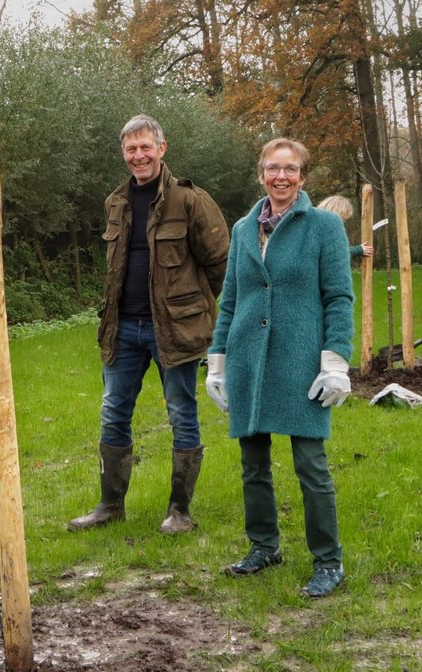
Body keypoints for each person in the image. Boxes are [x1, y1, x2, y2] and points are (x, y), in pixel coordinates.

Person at [205, 138, 353, 598]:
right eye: (273, 168)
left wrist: (335, 362)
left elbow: (338, 298)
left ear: (303, 177)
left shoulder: (325, 227)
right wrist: (219, 363)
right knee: (253, 464)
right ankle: (264, 547)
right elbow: (230, 299)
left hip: (301, 360)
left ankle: (329, 562)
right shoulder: (245, 228)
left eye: (290, 169)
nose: (281, 176)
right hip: (249, 357)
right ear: (261, 174)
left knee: (311, 464)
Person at [68, 114, 230, 535]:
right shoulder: (116, 203)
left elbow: (220, 267)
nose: (138, 155)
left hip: (174, 330)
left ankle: (180, 511)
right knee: (113, 412)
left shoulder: (191, 201)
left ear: (162, 148)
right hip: (124, 328)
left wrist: (207, 318)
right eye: (130, 149)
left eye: (145, 147)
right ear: (124, 153)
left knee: (182, 413)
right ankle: (109, 506)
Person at [316, 195, 372, 259]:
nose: (343, 222)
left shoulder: (317, 225)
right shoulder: (324, 230)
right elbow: (335, 254)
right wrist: (358, 250)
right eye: (343, 219)